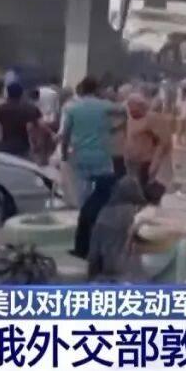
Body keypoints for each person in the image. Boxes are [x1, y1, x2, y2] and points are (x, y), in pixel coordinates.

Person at [63, 76, 119, 257]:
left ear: (81, 89)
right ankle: (99, 237)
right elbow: (126, 111)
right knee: (104, 197)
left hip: (80, 157)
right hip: (102, 156)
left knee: (84, 200)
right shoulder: (105, 106)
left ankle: (83, 241)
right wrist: (113, 129)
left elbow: (66, 134)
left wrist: (64, 154)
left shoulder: (72, 108)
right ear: (96, 89)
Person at [124, 93, 173, 189]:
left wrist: (155, 162)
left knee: (143, 189)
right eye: (129, 108)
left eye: (133, 108)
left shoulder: (152, 118)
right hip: (132, 161)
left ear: (141, 106)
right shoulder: (130, 119)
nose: (131, 111)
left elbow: (163, 142)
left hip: (146, 162)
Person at [0, 83, 41, 158]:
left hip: (6, 143)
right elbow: (37, 126)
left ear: (8, 94)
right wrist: (37, 143)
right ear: (21, 93)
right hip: (24, 144)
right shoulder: (30, 108)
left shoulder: (0, 109)